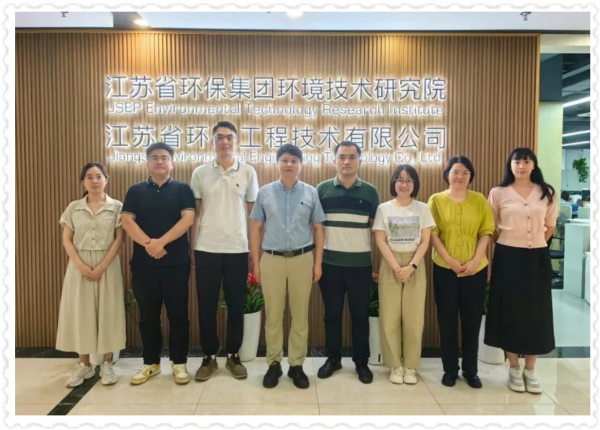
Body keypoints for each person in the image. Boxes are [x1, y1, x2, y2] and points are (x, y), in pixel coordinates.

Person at [250, 144, 326, 389]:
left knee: (300, 316)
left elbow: (318, 229)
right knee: (273, 315)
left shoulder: (311, 192)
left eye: (294, 160)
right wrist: (256, 263)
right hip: (271, 259)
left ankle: (296, 365)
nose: (289, 164)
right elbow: (256, 229)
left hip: (302, 259)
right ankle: (274, 364)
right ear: (278, 163)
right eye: (284, 160)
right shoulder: (265, 192)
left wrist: (318, 263)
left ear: (300, 164)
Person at [121, 143, 196, 386]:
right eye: (154, 157)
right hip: (144, 264)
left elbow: (188, 219)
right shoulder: (135, 190)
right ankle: (150, 363)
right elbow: (127, 221)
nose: (160, 161)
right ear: (147, 163)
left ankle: (179, 363)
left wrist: (160, 242)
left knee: (178, 315)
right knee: (148, 316)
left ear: (172, 163)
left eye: (164, 158)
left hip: (176, 264)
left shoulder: (183, 189)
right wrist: (149, 244)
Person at [190, 121, 259, 381]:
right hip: (206, 248)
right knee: (206, 305)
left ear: (236, 142)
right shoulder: (200, 173)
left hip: (237, 249)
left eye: (230, 137)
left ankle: (233, 355)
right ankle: (209, 356)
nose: (225, 142)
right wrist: (192, 248)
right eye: (220, 137)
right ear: (213, 141)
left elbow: (253, 216)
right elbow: (195, 214)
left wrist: (252, 249)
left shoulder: (248, 172)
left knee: (236, 305)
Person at [485, 147, 557, 394]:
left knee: (537, 311)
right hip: (507, 256)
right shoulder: (498, 192)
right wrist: (507, 243)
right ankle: (514, 366)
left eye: (526, 162)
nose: (522, 166)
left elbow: (550, 226)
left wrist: (535, 242)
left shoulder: (546, 192)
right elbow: (490, 227)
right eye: (517, 162)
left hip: (537, 257)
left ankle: (531, 369)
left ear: (533, 165)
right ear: (510, 165)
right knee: (510, 310)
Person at [427, 156, 495, 389]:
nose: (460, 176)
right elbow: (432, 234)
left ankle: (470, 370)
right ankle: (450, 370)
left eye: (465, 173)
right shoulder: (436, 200)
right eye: (455, 172)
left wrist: (475, 261)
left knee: (471, 321)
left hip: (475, 270)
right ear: (447, 175)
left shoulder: (479, 200)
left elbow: (486, 232)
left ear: (470, 176)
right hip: (445, 269)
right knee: (446, 320)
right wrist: (450, 260)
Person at [316, 141, 380, 384]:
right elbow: (316, 228)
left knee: (360, 315)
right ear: (334, 161)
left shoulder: (370, 192)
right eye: (342, 156)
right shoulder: (322, 190)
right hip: (330, 264)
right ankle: (333, 358)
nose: (346, 161)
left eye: (352, 157)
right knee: (331, 314)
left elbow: (376, 229)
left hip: (360, 266)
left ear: (359, 161)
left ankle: (361, 362)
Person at [57, 162, 125, 387]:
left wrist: (102, 266)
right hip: (79, 266)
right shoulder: (73, 208)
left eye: (99, 176)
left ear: (106, 179)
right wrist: (80, 265)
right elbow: (67, 240)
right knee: (81, 312)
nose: (94, 181)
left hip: (108, 264)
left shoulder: (117, 207)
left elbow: (119, 240)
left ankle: (107, 363)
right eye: (89, 177)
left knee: (108, 311)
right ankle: (84, 364)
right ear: (83, 181)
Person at [373, 164, 435, 385]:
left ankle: (410, 366)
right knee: (390, 317)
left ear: (415, 184)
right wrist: (396, 267)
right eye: (400, 179)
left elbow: (426, 241)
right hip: (390, 263)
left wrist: (411, 266)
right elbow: (380, 240)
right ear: (394, 183)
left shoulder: (423, 209)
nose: (404, 184)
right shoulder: (383, 208)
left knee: (414, 318)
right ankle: (395, 365)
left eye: (409, 180)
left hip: (415, 264)